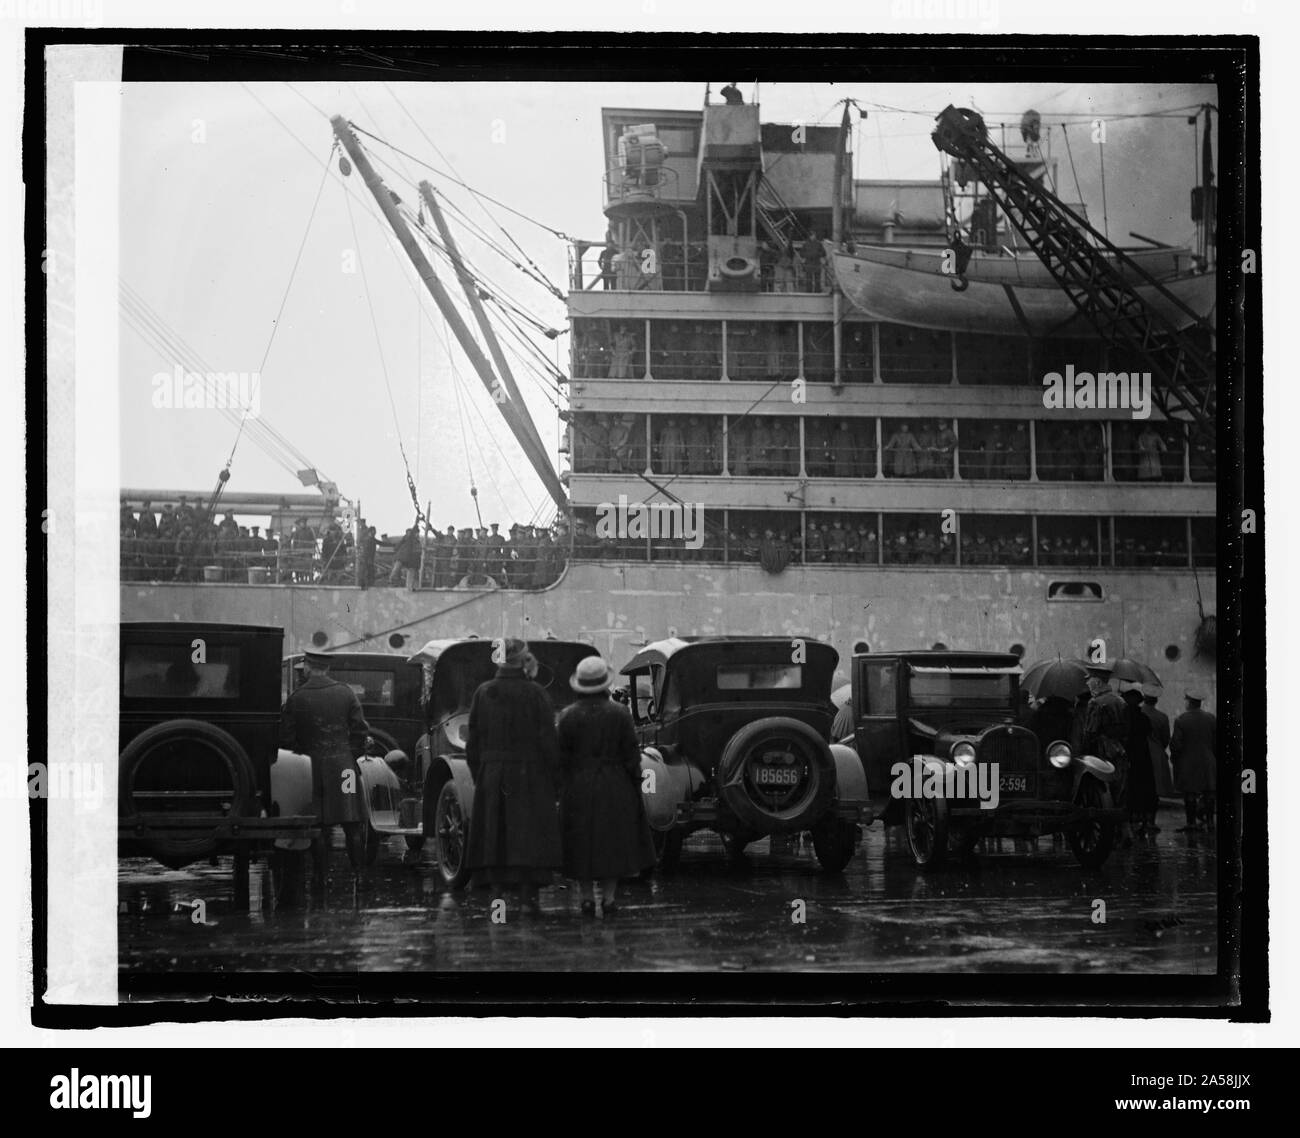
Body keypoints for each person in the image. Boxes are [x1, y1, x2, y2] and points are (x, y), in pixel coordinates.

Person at [464, 639, 563, 910]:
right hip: (530, 775)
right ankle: (529, 906)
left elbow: (473, 742)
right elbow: (548, 741)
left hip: (492, 774)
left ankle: (499, 911)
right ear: (523, 660)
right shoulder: (536, 694)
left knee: (495, 841)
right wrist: (555, 781)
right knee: (527, 840)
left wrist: (480, 775)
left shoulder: (483, 692)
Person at [557, 657, 656, 916]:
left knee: (581, 843)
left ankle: (587, 898)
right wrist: (635, 783)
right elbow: (631, 754)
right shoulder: (620, 713)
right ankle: (609, 899)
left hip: (578, 785)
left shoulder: (567, 716)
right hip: (615, 784)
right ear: (604, 684)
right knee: (612, 843)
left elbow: (561, 758)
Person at [279, 649, 372, 890]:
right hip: (344, 769)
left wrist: (304, 753)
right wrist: (348, 754)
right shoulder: (345, 692)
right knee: (352, 822)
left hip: (312, 769)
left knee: (318, 825)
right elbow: (360, 729)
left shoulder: (296, 698)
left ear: (309, 667)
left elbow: (286, 739)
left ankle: (320, 878)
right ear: (328, 668)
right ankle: (360, 876)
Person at [1171, 692, 1217, 833]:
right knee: (1209, 793)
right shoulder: (1211, 719)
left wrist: (1175, 758)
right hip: (1208, 761)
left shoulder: (1181, 720)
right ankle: (1210, 822)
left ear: (1189, 702)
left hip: (1188, 761)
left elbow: (1176, 744)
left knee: (1189, 793)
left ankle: (1191, 823)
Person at [1120, 681, 1157, 837]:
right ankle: (1144, 818)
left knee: (1131, 786)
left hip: (1129, 755)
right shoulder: (1143, 718)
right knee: (1144, 787)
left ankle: (1132, 817)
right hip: (1142, 756)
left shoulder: (1124, 718)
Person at [1141, 685, 1175, 799]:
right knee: (1155, 784)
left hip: (1139, 750)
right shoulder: (1162, 717)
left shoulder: (1138, 712)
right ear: (1155, 701)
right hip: (1157, 752)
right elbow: (1165, 738)